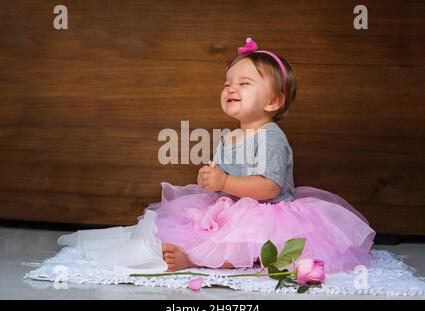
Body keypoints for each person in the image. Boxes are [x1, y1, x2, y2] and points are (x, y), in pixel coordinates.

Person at [146, 37, 376, 274]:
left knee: (250, 246)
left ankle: (196, 260)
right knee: (204, 228)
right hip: (232, 208)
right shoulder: (229, 137)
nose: (231, 88)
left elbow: (269, 188)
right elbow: (221, 176)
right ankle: (201, 251)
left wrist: (224, 181)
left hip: (269, 214)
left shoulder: (271, 137)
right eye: (227, 84)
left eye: (244, 83)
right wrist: (210, 180)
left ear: (273, 101)